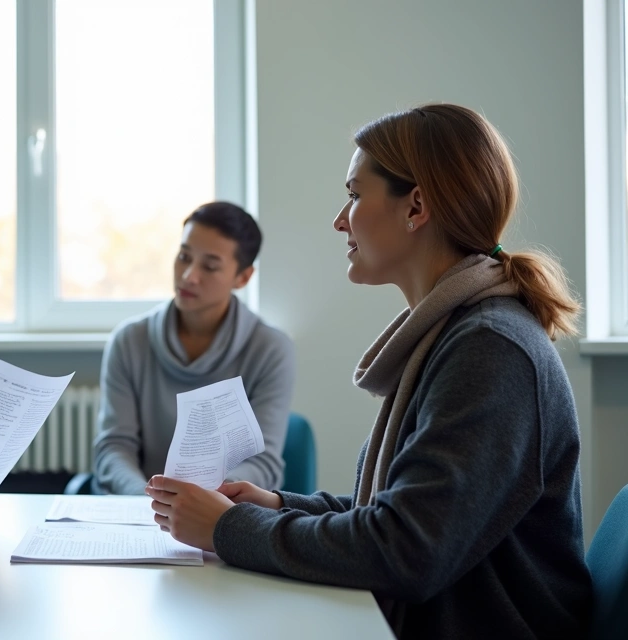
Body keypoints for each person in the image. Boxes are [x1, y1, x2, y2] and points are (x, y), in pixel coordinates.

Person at [146, 104, 592, 638]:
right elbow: (393, 513)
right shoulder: (458, 333)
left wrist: (227, 528)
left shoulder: (489, 350)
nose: (340, 219)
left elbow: (403, 550)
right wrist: (279, 504)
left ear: (417, 205)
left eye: (355, 195)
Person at [93, 202, 295, 494]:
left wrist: (203, 503)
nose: (189, 276)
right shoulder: (128, 341)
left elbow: (263, 462)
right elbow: (114, 448)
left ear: (243, 277)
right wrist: (146, 498)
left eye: (210, 266)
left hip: (222, 514)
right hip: (138, 510)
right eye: (184, 257)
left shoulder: (271, 350)